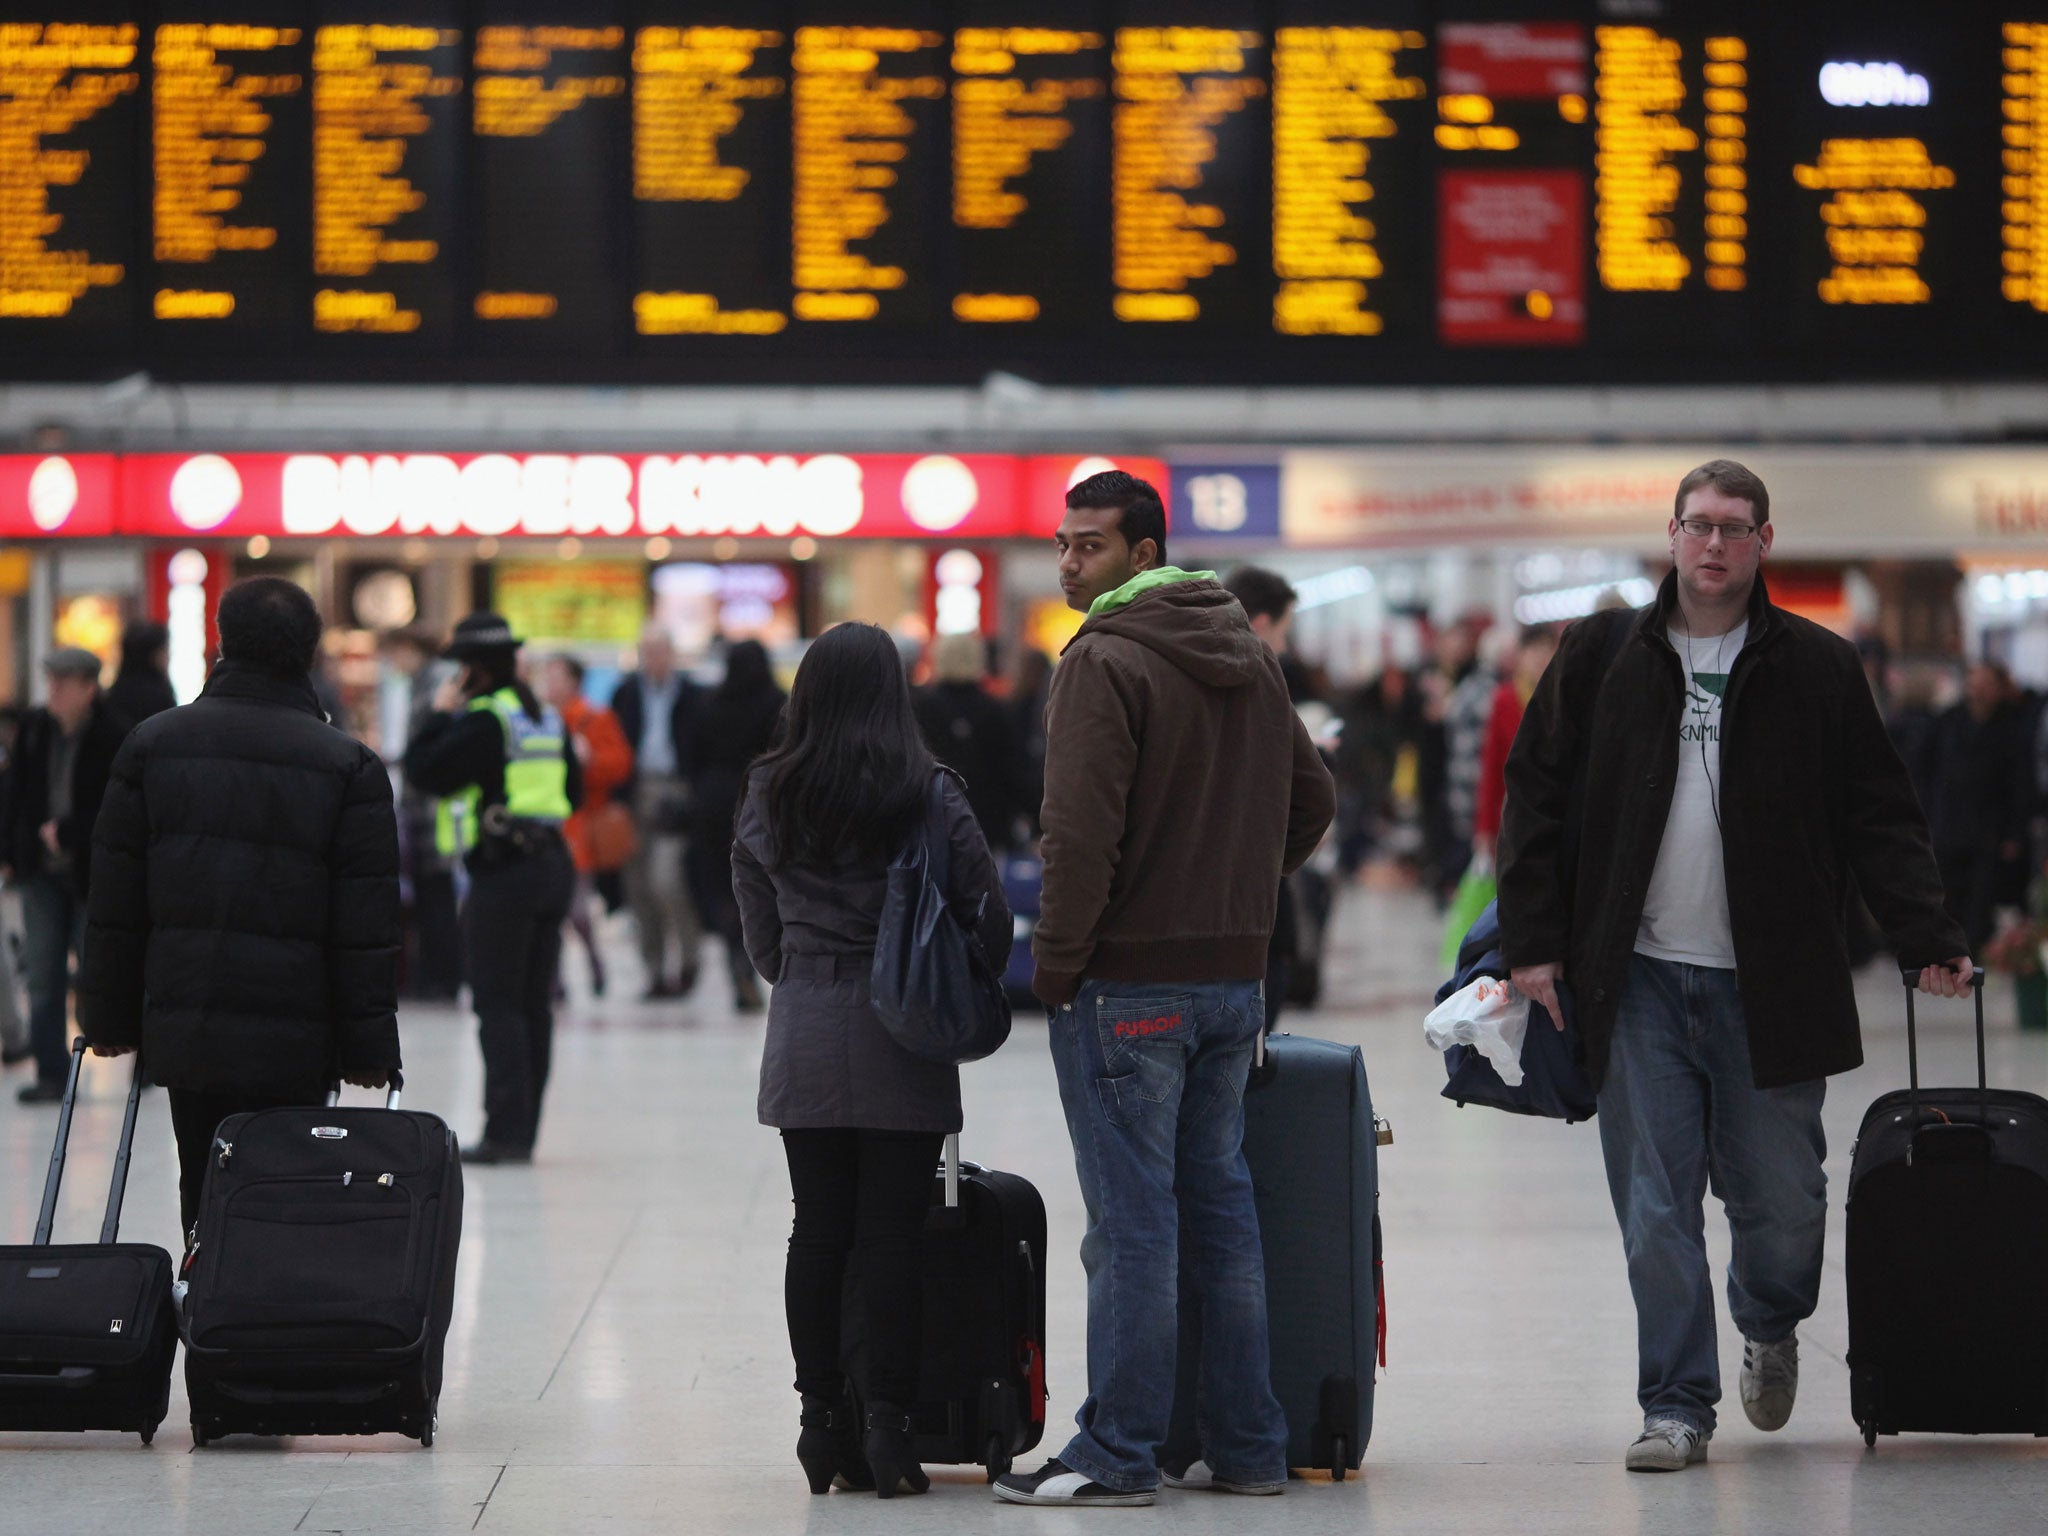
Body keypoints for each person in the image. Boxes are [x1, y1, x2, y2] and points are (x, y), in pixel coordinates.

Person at [1497, 459, 1973, 1474]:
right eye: (1696, 525)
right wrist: (1532, 942)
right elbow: (1533, 794)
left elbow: (1877, 814)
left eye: (1732, 527)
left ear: (1762, 541)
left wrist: (1924, 934)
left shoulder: (1815, 665)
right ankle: (1673, 1404)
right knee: (1654, 1204)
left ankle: (1767, 1319)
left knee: (1780, 1205)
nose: (1712, 544)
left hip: (1772, 983)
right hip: (1635, 980)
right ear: (1669, 536)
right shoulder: (1600, 654)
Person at [995, 472, 1335, 1508]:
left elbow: (1078, 833)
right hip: (1233, 983)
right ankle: (1244, 1449)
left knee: (1132, 1224)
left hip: (1127, 985)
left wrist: (1055, 965)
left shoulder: (1103, 659)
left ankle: (1117, 1451)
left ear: (1142, 555)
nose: (1067, 564)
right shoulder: (1250, 656)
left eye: (1088, 547)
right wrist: (1229, 889)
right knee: (1220, 1210)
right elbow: (1310, 803)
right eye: (1060, 544)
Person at [732, 622, 1009, 1499]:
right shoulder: (927, 793)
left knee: (816, 1230)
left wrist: (800, 969)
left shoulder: (770, 789)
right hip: (906, 1033)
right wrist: (944, 971)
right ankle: (888, 1429)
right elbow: (989, 914)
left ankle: (822, 1425)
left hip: (807, 1027)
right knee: (892, 1234)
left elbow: (757, 921)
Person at [77, 580, 401, 1230]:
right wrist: (368, 1049)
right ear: (309, 653)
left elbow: (115, 901)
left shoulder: (152, 745)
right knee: (287, 1187)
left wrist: (108, 1020)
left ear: (222, 642)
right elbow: (363, 925)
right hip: (299, 1030)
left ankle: (208, 1315)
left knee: (203, 1179)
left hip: (189, 1018)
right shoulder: (348, 765)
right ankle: (272, 1315)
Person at [405, 614, 580, 1166]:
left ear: (474, 671)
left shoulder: (485, 721)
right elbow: (571, 789)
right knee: (533, 1004)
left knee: (497, 1002)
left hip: (506, 874)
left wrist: (436, 716)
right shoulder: (544, 716)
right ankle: (521, 1132)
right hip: (552, 864)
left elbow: (424, 771)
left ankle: (504, 1132)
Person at [0, 648, 126, 1102]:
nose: (53, 690)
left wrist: (71, 832)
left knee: (98, 971)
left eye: (63, 682)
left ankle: (139, 1057)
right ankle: (51, 1072)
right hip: (40, 873)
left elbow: (118, 808)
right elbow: (14, 793)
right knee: (43, 973)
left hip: (90, 873)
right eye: (50, 680)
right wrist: (13, 849)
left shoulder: (112, 734)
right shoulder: (35, 728)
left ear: (88, 687)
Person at [1222, 565, 1303, 1029]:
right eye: (1285, 631)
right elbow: (1313, 802)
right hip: (1257, 898)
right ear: (1262, 623)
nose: (1286, 647)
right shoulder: (1260, 683)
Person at [685, 639, 785, 1013]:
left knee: (723, 890)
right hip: (757, 804)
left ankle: (735, 960)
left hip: (711, 806)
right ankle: (753, 961)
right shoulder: (776, 704)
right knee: (757, 885)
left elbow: (691, 756)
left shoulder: (709, 704)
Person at [612, 625, 704, 999]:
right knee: (637, 886)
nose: (653, 659)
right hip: (636, 791)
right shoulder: (626, 693)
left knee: (667, 879)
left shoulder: (693, 695)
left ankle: (689, 957)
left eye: (660, 651)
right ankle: (653, 969)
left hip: (675, 792)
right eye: (647, 651)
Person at [539, 655, 634, 998]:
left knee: (575, 908)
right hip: (547, 826)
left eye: (555, 676)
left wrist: (589, 759)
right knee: (551, 908)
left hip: (580, 826)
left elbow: (620, 765)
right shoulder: (539, 720)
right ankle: (555, 979)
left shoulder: (594, 719)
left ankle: (592, 961)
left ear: (574, 681)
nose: (548, 684)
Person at [1924, 660, 2033, 953]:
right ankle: (1947, 950)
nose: (1979, 691)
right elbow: (1927, 770)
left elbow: (2020, 785)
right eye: (1975, 683)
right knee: (1947, 892)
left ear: (1998, 689)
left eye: (1986, 684)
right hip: (1948, 823)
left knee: (1981, 896)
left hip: (1988, 827)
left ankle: (1972, 951)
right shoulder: (1948, 721)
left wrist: (2015, 832)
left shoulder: (2012, 728)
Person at [912, 632, 1025, 854]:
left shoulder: (922, 707)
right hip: (987, 821)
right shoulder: (995, 709)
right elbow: (1012, 768)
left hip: (934, 817)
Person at [1470, 626, 1559, 862]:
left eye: (1547, 649)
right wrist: (1484, 829)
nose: (1540, 657)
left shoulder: (1565, 699)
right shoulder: (1504, 700)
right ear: (1520, 656)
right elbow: (1492, 767)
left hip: (1555, 814)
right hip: (1513, 815)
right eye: (1533, 650)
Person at [104, 620, 177, 730]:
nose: (169, 656)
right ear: (153, 656)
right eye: (165, 650)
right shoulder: (160, 695)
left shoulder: (114, 694)